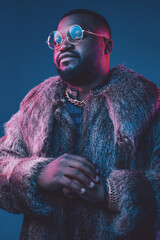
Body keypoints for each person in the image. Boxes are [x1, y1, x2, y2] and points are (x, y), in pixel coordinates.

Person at [0, 8, 160, 240]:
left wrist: (110, 193)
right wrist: (38, 175)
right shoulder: (35, 106)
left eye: (76, 34)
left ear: (107, 46)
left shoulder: (149, 104)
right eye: (56, 39)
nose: (63, 44)